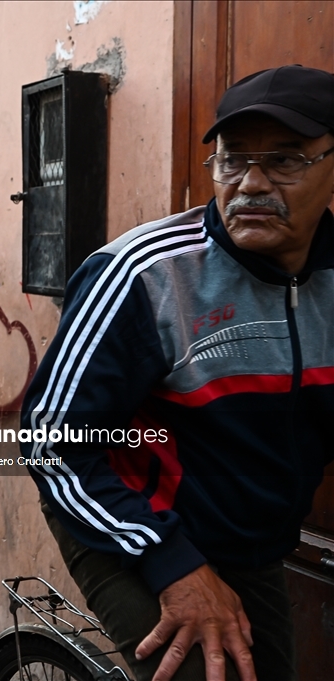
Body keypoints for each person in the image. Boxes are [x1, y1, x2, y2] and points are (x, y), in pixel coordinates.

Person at [20, 65, 334, 681]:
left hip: (248, 535)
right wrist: (169, 561)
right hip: (123, 510)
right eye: (231, 160)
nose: (250, 183)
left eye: (285, 161)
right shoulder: (145, 275)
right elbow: (49, 443)